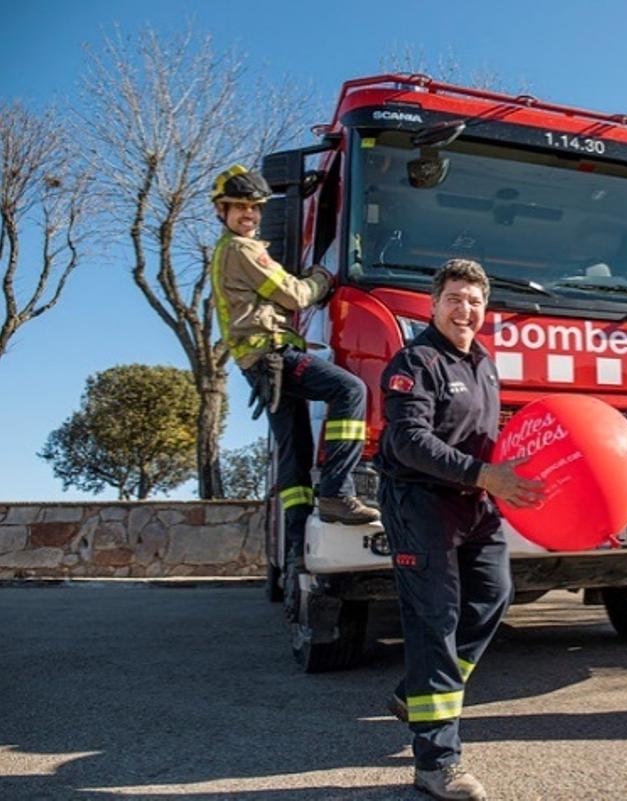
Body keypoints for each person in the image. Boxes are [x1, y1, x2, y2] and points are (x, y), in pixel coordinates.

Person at [376, 258, 544, 801]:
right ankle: (437, 763)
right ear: (434, 304)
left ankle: (416, 692)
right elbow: (407, 442)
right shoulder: (415, 361)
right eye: (454, 298)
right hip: (420, 503)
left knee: (494, 597)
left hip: (477, 504)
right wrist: (485, 474)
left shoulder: (485, 364)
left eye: (474, 300)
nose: (464, 309)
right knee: (435, 624)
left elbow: (487, 435)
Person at [208, 164, 379, 562]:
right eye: (240, 208)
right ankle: (337, 492)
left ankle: (297, 550)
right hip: (272, 354)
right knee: (350, 389)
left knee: (295, 451)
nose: (249, 215)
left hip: (257, 361)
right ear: (222, 210)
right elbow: (298, 296)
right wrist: (324, 275)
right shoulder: (243, 249)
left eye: (255, 208)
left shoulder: (227, 251)